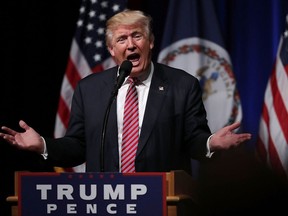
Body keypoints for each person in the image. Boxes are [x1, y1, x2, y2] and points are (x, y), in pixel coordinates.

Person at [0, 10, 251, 174]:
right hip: (106, 201)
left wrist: (211, 143)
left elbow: (193, 140)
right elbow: (77, 147)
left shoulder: (182, 85)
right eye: (121, 39)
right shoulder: (90, 89)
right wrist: (43, 145)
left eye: (137, 36)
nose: (131, 44)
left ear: (150, 42)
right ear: (111, 49)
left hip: (162, 200)